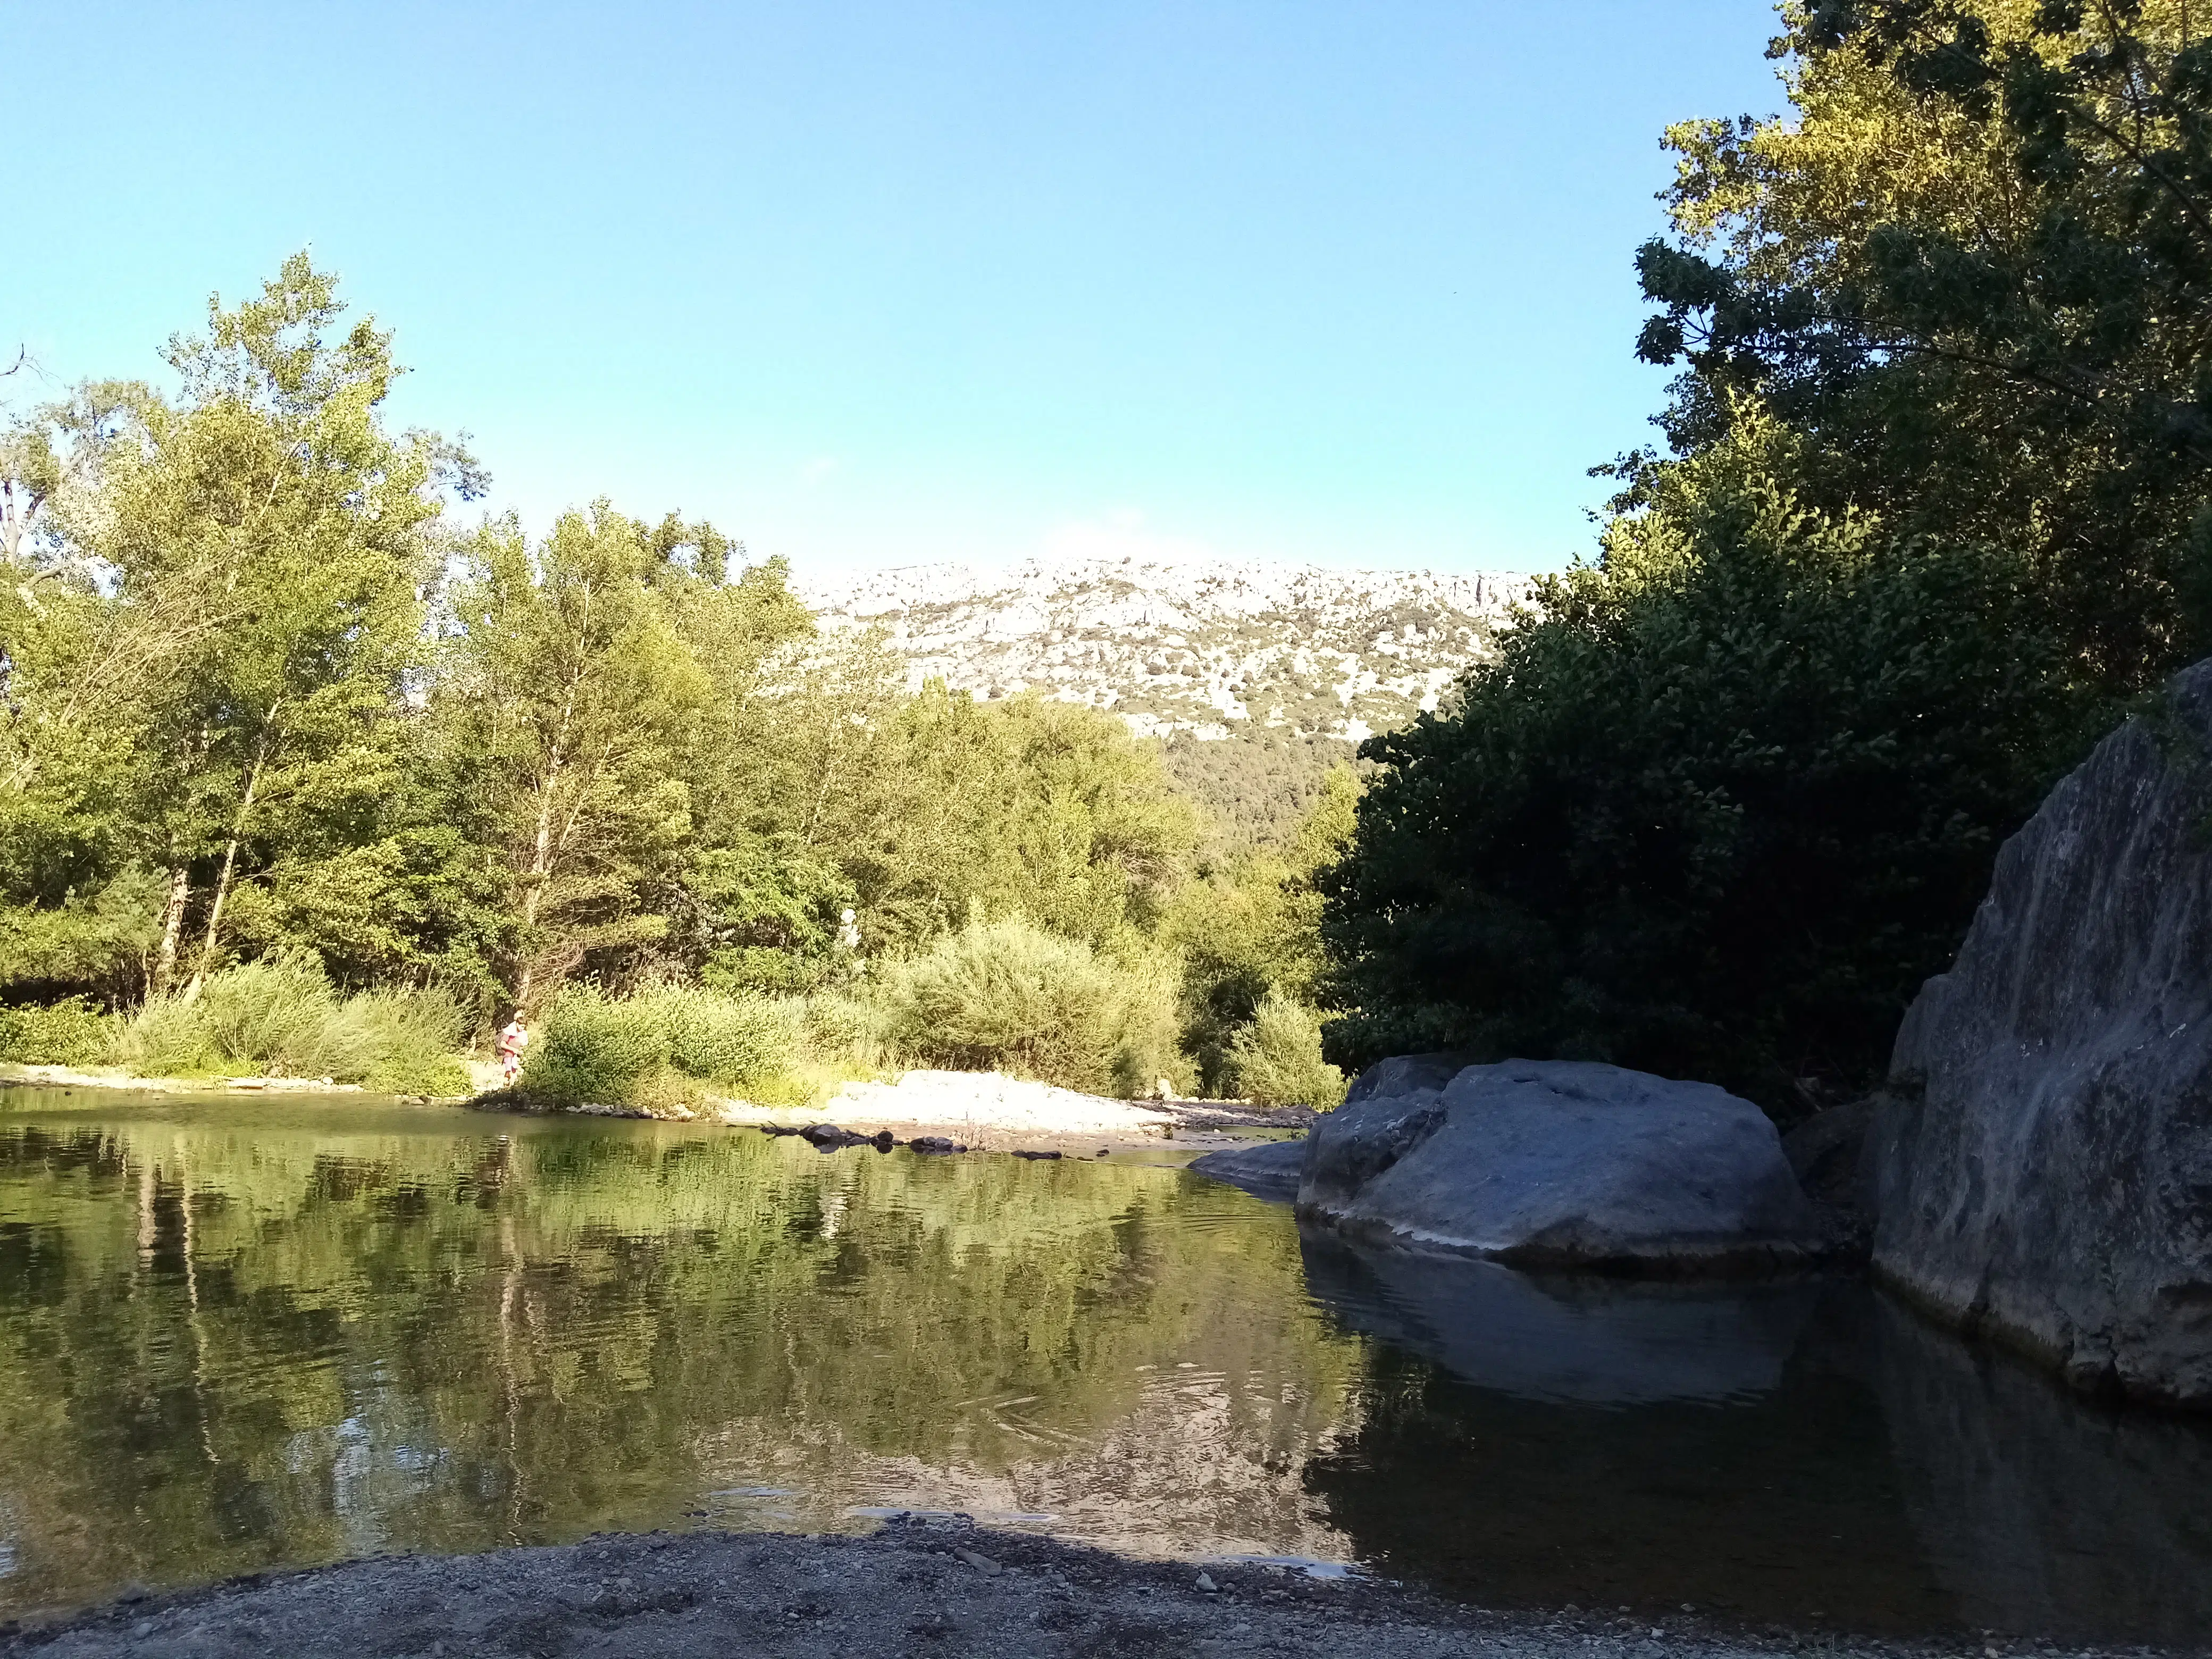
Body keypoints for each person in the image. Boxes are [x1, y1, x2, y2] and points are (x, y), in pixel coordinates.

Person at [495, 1017, 529, 1085]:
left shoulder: (522, 1033)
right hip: (509, 1054)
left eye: (524, 1027)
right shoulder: (509, 1032)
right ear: (517, 1024)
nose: (522, 1028)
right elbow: (503, 1044)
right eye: (522, 1027)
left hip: (517, 1055)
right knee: (509, 1067)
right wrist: (514, 1050)